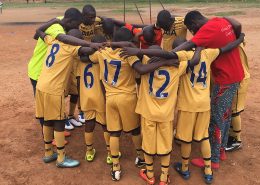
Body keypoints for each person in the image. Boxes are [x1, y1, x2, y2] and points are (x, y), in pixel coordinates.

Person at [88, 28, 179, 181]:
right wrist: (164, 61)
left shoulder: (101, 52)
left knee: (114, 133)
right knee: (135, 130)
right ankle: (140, 156)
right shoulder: (127, 54)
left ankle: (115, 166)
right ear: (128, 42)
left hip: (110, 97)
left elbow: (88, 58)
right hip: (127, 97)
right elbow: (141, 69)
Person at [173, 10, 244, 169]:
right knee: (225, 115)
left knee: (216, 118)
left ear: (193, 24)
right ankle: (221, 150)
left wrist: (168, 54)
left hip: (224, 79)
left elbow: (188, 45)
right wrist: (239, 38)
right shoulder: (219, 21)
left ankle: (214, 159)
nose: (193, 33)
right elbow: (238, 24)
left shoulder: (205, 30)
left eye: (192, 30)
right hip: (235, 74)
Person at [35, 24, 99, 167]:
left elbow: (39, 31)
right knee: (58, 121)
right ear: (75, 40)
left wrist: (51, 21)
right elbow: (88, 49)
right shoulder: (71, 48)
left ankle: (48, 153)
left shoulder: (53, 41)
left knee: (47, 119)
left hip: (41, 86)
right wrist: (99, 45)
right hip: (54, 90)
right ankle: (61, 158)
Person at [28, 8, 101, 127]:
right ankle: (51, 135)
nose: (77, 28)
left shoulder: (62, 20)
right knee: (45, 109)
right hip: (39, 70)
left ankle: (58, 123)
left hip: (50, 70)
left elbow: (38, 33)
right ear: (70, 21)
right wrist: (90, 44)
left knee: (55, 101)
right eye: (76, 25)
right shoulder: (57, 28)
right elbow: (63, 38)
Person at [76, 35, 112, 164]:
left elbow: (78, 80)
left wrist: (80, 100)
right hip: (99, 96)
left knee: (89, 124)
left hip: (86, 97)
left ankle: (89, 151)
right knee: (105, 125)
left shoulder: (81, 61)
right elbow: (103, 81)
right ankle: (110, 153)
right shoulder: (101, 59)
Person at [226, 43, 250, 152]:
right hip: (237, 76)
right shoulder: (236, 38)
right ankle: (231, 135)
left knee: (235, 111)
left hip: (238, 78)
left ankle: (237, 140)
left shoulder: (233, 42)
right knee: (231, 109)